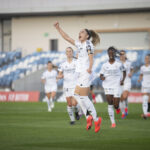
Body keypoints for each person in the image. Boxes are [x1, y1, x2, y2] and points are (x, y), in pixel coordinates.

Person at [54, 22, 102, 133]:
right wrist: (58, 28)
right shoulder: (80, 44)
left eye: (82, 32)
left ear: (87, 36)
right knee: (76, 95)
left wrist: (90, 67)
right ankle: (89, 117)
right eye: (79, 32)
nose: (79, 33)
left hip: (86, 73)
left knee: (83, 97)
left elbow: (91, 57)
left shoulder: (88, 44)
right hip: (80, 74)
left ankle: (95, 119)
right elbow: (67, 37)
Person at [100, 47, 126, 128]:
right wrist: (102, 77)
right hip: (107, 85)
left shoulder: (119, 64)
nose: (110, 54)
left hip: (116, 85)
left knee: (116, 105)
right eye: (109, 53)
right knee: (110, 103)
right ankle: (113, 123)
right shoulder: (104, 65)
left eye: (112, 53)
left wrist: (122, 80)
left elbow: (124, 71)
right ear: (108, 54)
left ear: (114, 54)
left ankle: (117, 108)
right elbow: (101, 74)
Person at [57, 47, 80, 125]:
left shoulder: (76, 62)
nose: (69, 53)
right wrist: (59, 76)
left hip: (75, 86)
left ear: (72, 53)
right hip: (66, 86)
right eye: (67, 51)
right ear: (66, 53)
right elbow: (59, 74)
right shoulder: (63, 64)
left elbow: (80, 72)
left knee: (74, 103)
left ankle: (76, 111)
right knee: (69, 104)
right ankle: (72, 120)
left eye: (70, 51)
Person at [119, 50, 134, 118]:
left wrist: (131, 73)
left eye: (123, 54)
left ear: (125, 55)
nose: (122, 55)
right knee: (121, 98)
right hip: (119, 82)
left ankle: (125, 109)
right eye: (120, 54)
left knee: (124, 96)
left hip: (127, 81)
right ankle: (123, 112)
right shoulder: (117, 63)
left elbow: (132, 69)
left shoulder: (129, 63)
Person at [138, 55, 150, 119]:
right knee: (145, 99)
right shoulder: (142, 67)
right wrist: (139, 79)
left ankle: (147, 112)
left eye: (147, 58)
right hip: (145, 85)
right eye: (145, 58)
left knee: (149, 100)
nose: (146, 59)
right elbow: (141, 74)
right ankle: (145, 114)